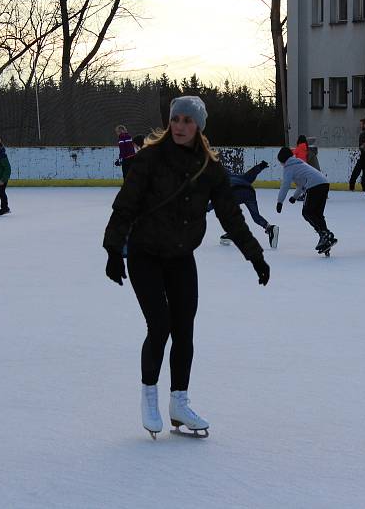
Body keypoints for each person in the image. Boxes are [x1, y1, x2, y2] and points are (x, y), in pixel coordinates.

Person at [103, 96, 270, 439]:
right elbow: (126, 204)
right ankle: (149, 395)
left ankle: (179, 402)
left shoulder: (209, 168)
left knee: (184, 330)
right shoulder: (149, 158)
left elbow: (231, 216)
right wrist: (112, 249)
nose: (179, 126)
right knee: (160, 325)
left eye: (187, 121)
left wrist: (255, 255)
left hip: (180, 256)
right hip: (144, 253)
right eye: (175, 119)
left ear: (199, 126)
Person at [276, 146, 336, 254]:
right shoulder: (298, 163)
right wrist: (294, 197)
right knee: (317, 214)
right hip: (324, 184)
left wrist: (280, 201)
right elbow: (301, 184)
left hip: (314, 185)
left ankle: (325, 234)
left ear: (283, 160)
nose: (281, 165)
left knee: (307, 212)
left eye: (280, 162)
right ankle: (326, 239)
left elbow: (285, 184)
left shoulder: (288, 167)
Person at [212, 161, 280, 248]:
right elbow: (249, 175)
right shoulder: (236, 176)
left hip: (235, 192)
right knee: (256, 216)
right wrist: (259, 167)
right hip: (250, 192)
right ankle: (270, 228)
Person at [350, 119, 365, 192]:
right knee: (364, 173)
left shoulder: (364, 134)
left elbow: (361, 147)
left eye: (361, 124)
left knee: (359, 172)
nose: (360, 126)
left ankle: (352, 186)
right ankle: (360, 186)